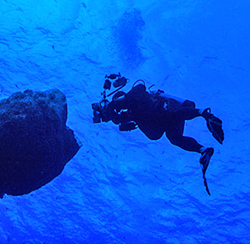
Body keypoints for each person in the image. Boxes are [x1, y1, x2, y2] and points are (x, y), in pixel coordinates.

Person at [93, 75, 224, 194]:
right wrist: (110, 114)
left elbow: (139, 88)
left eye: (119, 102)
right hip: (164, 123)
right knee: (175, 139)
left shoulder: (136, 94)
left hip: (165, 108)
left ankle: (204, 113)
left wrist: (114, 104)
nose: (119, 107)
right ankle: (203, 150)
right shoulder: (131, 113)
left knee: (173, 113)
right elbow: (118, 119)